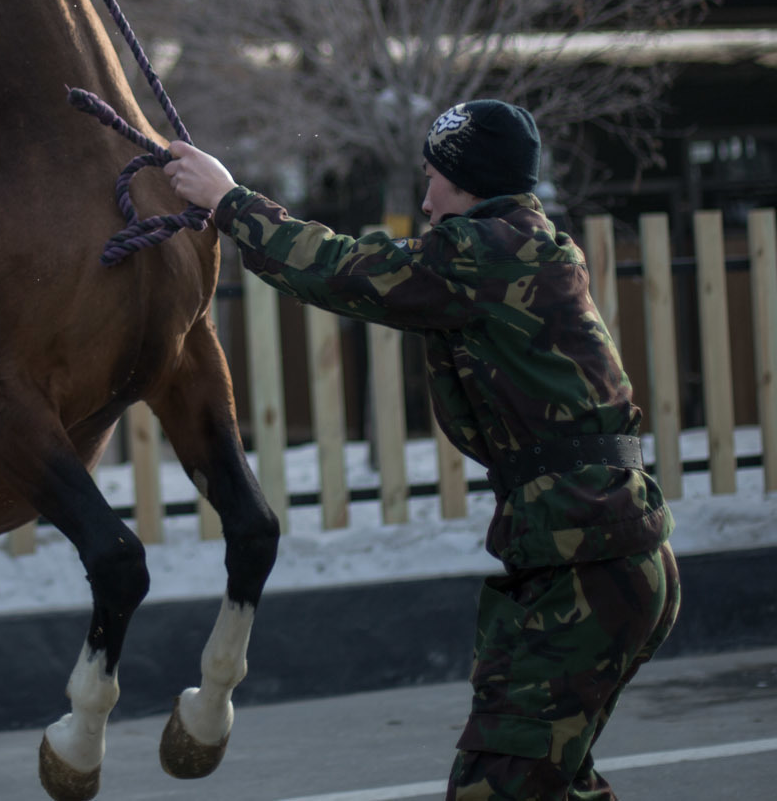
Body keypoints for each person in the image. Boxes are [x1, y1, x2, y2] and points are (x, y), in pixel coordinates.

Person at [163, 99, 679, 801]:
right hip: (603, 550)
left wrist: (229, 201)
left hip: (584, 564)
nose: (427, 200)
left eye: (435, 178)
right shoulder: (523, 243)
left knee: (494, 785)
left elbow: (342, 270)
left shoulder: (484, 252)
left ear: (470, 181)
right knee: (551, 781)